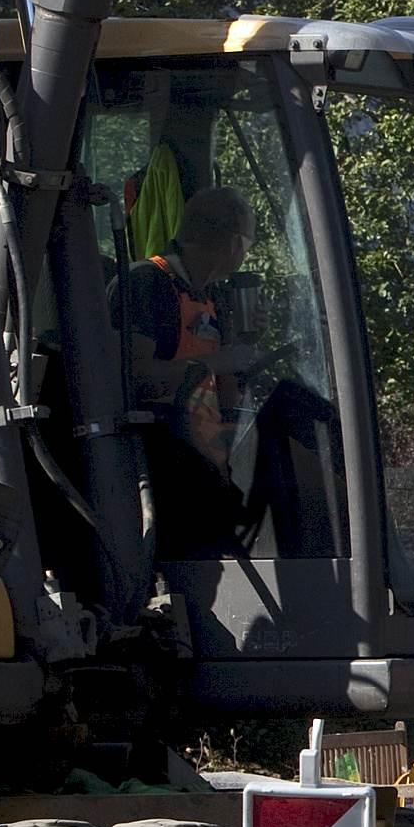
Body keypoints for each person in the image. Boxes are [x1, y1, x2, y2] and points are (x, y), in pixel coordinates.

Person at [114, 186, 254, 554]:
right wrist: (214, 362)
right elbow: (132, 378)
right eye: (247, 244)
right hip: (161, 456)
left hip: (207, 449)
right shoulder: (146, 283)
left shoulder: (212, 296)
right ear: (234, 244)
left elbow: (226, 391)